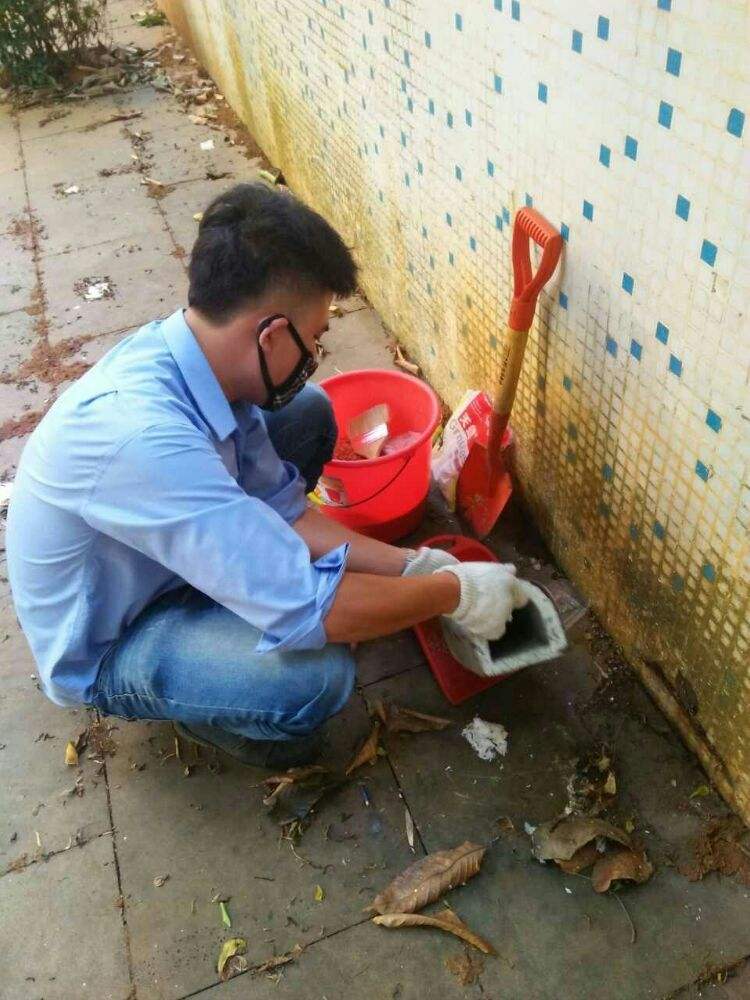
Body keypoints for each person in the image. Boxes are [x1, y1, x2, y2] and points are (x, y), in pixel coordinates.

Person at [6, 182, 527, 769]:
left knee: (306, 412)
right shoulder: (143, 439)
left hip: (158, 560)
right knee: (314, 677)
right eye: (315, 339)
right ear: (272, 333)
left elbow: (285, 509)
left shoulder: (199, 359)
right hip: (113, 637)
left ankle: (239, 585)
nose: (315, 357)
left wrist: (412, 566)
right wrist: (457, 593)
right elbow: (313, 609)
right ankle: (206, 708)